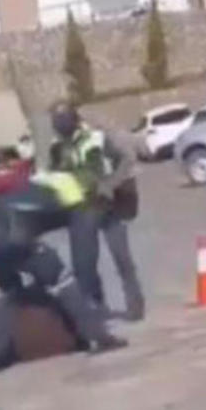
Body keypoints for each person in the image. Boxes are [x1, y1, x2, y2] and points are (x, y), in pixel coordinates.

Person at [0, 172, 127, 372]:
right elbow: (83, 253)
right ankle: (99, 337)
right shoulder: (75, 198)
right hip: (14, 235)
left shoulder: (38, 184)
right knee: (64, 282)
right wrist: (86, 289)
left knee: (12, 296)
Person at [49, 101, 145, 321]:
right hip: (82, 209)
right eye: (56, 121)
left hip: (109, 206)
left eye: (62, 120)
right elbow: (56, 175)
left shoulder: (97, 138)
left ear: (74, 120)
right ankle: (97, 307)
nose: (59, 125)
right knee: (86, 262)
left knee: (121, 258)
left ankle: (135, 305)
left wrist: (110, 184)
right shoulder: (57, 147)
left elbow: (127, 159)